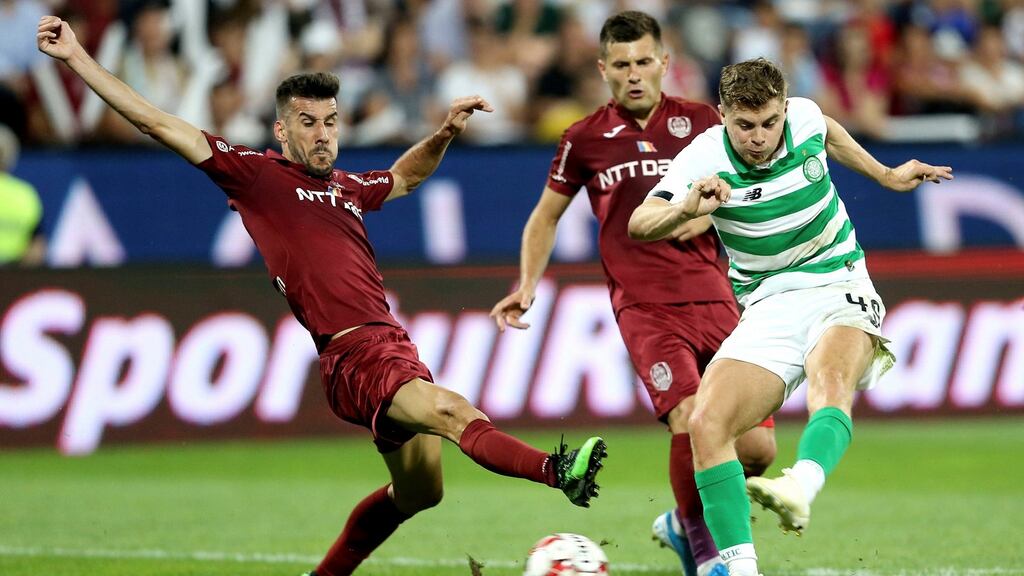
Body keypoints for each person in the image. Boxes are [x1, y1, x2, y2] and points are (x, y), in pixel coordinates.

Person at [36, 15, 608, 576]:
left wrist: (441, 134)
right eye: (307, 123)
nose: (323, 134)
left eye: (330, 121)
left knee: (420, 493)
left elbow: (404, 177)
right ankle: (560, 472)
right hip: (354, 354)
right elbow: (159, 124)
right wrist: (78, 58)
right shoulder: (256, 176)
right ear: (282, 131)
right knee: (453, 411)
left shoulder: (347, 188)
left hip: (393, 345)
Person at [628, 57, 953, 576]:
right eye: (744, 125)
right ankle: (740, 570)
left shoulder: (804, 116)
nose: (758, 137)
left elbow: (830, 133)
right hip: (766, 304)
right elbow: (639, 222)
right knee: (707, 423)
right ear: (722, 116)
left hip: (839, 280)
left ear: (783, 109)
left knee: (831, 375)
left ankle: (800, 485)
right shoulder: (704, 156)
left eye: (769, 123)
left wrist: (888, 176)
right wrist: (685, 208)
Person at [489, 11, 776, 576]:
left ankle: (676, 520)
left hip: (715, 296)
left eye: (645, 61)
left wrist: (715, 207)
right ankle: (705, 553)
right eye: (621, 65)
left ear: (665, 63)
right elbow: (545, 218)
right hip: (645, 307)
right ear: (603, 69)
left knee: (758, 452)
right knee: (691, 418)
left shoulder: (705, 124)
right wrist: (526, 284)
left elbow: (750, 185)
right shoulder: (584, 137)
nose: (635, 73)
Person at [0, 123, 45, 266]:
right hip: (15, 276)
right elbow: (37, 246)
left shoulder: (25, 193)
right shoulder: (25, 193)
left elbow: (37, 243)